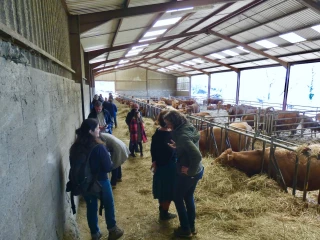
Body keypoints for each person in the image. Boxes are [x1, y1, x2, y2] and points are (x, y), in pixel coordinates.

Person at [69, 118, 124, 240]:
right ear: (90, 131)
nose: (99, 130)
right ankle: (113, 230)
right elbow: (108, 167)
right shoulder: (98, 147)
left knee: (91, 207)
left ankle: (95, 234)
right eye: (97, 128)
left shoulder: (75, 147)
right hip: (101, 182)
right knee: (109, 204)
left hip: (84, 183)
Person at [163, 110, 204, 238]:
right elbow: (190, 144)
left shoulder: (182, 136)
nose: (167, 126)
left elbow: (197, 155)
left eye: (168, 123)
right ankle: (191, 226)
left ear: (174, 122)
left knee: (177, 198)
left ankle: (185, 229)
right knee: (188, 196)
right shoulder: (188, 127)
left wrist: (190, 171)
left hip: (189, 173)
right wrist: (179, 146)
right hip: (198, 171)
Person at [150, 110, 177, 221]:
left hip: (159, 165)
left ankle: (162, 210)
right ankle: (164, 214)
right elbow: (171, 152)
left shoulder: (157, 132)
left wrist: (154, 161)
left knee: (161, 190)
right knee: (167, 191)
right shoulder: (170, 135)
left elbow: (153, 149)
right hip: (168, 167)